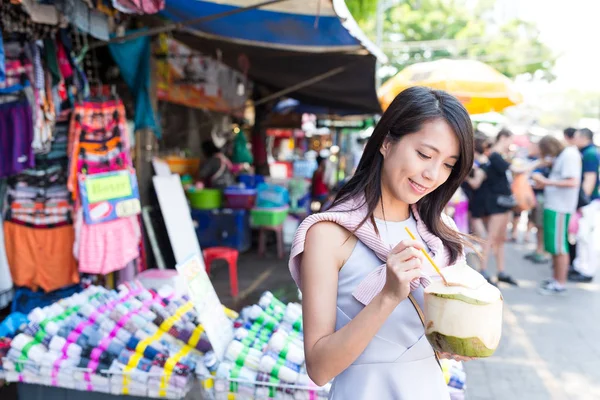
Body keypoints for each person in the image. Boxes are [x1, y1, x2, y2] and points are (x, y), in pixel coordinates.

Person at [289, 87, 474, 399]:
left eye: (448, 164)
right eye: (425, 155)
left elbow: (427, 341)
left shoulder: (440, 234)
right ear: (387, 142)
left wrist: (458, 338)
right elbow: (319, 368)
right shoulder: (328, 234)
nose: (432, 174)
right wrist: (387, 296)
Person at [533, 135, 582, 295]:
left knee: (559, 247)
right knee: (554, 246)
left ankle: (560, 282)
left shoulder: (569, 155)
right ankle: (556, 279)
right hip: (554, 206)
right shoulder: (565, 155)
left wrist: (546, 181)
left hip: (560, 208)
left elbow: (573, 182)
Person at [479, 129, 519, 285]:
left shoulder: (496, 156)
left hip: (501, 202)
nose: (511, 144)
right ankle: (483, 269)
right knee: (491, 237)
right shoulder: (495, 155)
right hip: (496, 201)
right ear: (503, 138)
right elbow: (513, 170)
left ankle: (500, 271)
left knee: (500, 238)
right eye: (510, 140)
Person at [569, 128, 600, 282]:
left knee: (586, 237)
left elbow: (590, 179)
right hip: (589, 202)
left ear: (583, 138)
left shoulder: (589, 154)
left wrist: (582, 202)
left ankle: (587, 270)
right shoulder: (589, 152)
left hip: (589, 203)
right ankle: (581, 266)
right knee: (582, 237)